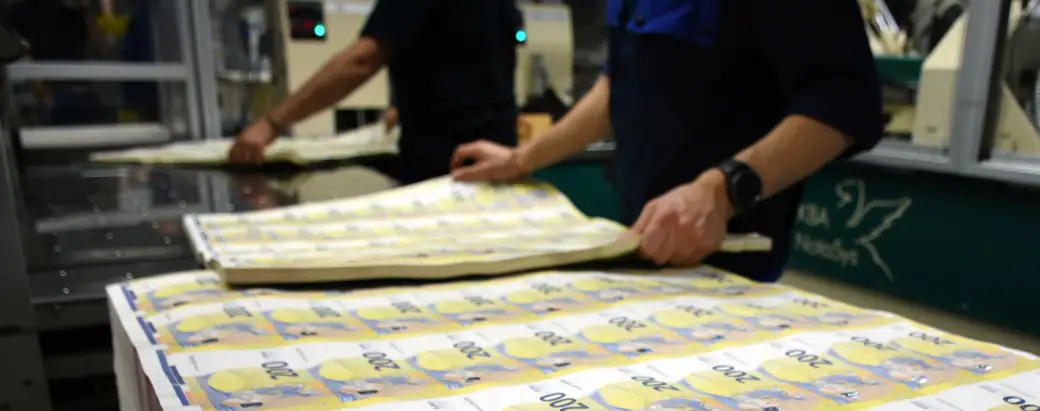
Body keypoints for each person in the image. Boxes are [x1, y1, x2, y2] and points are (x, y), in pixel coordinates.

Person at [450, 0, 884, 282]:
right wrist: (521, 158)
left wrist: (719, 192)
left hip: (730, 269)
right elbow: (619, 87)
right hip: (640, 249)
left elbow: (846, 101)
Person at [229, 0, 523, 185]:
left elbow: (362, 61)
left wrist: (272, 123)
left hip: (448, 168)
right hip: (496, 159)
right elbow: (465, 53)